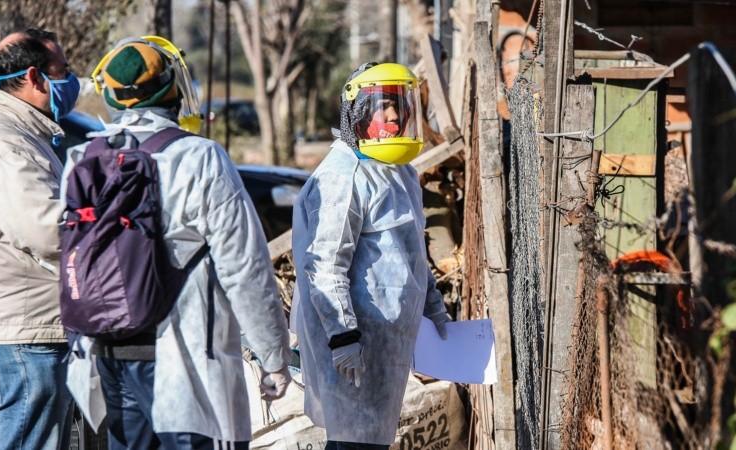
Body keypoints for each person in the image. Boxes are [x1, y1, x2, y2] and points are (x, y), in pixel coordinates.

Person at [63, 37, 291, 449]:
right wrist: (273, 358)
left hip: (106, 358)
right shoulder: (200, 157)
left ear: (112, 95)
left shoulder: (81, 159)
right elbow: (244, 269)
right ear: (172, 89)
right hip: (184, 365)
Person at [291, 62, 451, 449]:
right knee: (351, 442)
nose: (395, 115)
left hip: (388, 346)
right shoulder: (342, 177)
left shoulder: (402, 173)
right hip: (355, 345)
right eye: (382, 105)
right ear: (358, 113)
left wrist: (433, 307)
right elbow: (325, 267)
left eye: (399, 103)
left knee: (372, 442)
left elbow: (412, 250)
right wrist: (343, 336)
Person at [0, 28, 78, 449]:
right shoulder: (5, 146)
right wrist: (111, 226)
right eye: (63, 71)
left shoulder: (24, 133)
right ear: (34, 77)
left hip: (32, 329)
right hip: (24, 336)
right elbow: (47, 230)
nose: (71, 82)